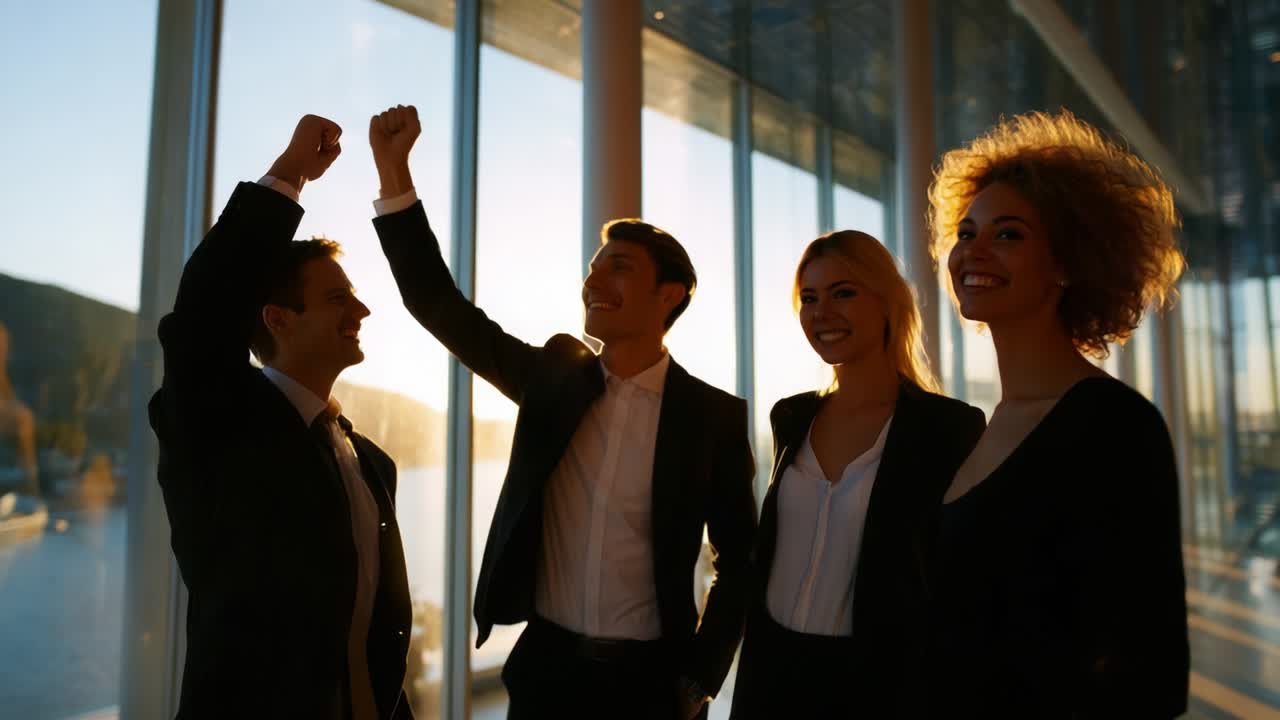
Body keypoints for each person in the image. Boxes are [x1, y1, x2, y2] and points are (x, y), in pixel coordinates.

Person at [368, 104, 756, 719]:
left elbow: (740, 562)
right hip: (546, 674)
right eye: (593, 267)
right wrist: (394, 175)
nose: (594, 279)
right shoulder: (556, 379)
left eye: (618, 267)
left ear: (669, 296)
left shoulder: (713, 418)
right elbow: (437, 304)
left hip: (652, 688)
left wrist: (700, 680)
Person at [925, 109, 1189, 716]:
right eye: (966, 233)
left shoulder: (1115, 426)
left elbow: (1150, 672)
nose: (975, 251)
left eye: (1008, 234)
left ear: (1068, 263)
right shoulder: (989, 425)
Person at [150, 114, 414, 719]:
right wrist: (291, 173)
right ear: (277, 318)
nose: (363, 308)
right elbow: (202, 319)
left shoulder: (372, 461)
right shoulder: (220, 426)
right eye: (336, 297)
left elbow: (370, 643)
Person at [728, 231, 984, 718]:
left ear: (887, 302)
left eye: (843, 292)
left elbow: (961, 584)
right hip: (772, 675)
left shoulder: (947, 428)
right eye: (809, 298)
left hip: (878, 685)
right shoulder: (792, 417)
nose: (821, 312)